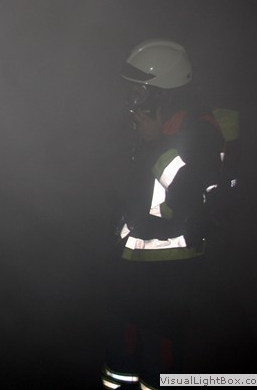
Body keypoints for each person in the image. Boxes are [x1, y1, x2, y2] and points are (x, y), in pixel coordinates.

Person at [101, 39, 223, 389]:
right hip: (129, 265)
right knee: (120, 359)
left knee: (160, 363)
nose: (131, 101)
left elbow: (188, 195)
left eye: (139, 92)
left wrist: (156, 143)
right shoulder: (151, 125)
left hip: (169, 273)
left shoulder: (199, 130)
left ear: (164, 94)